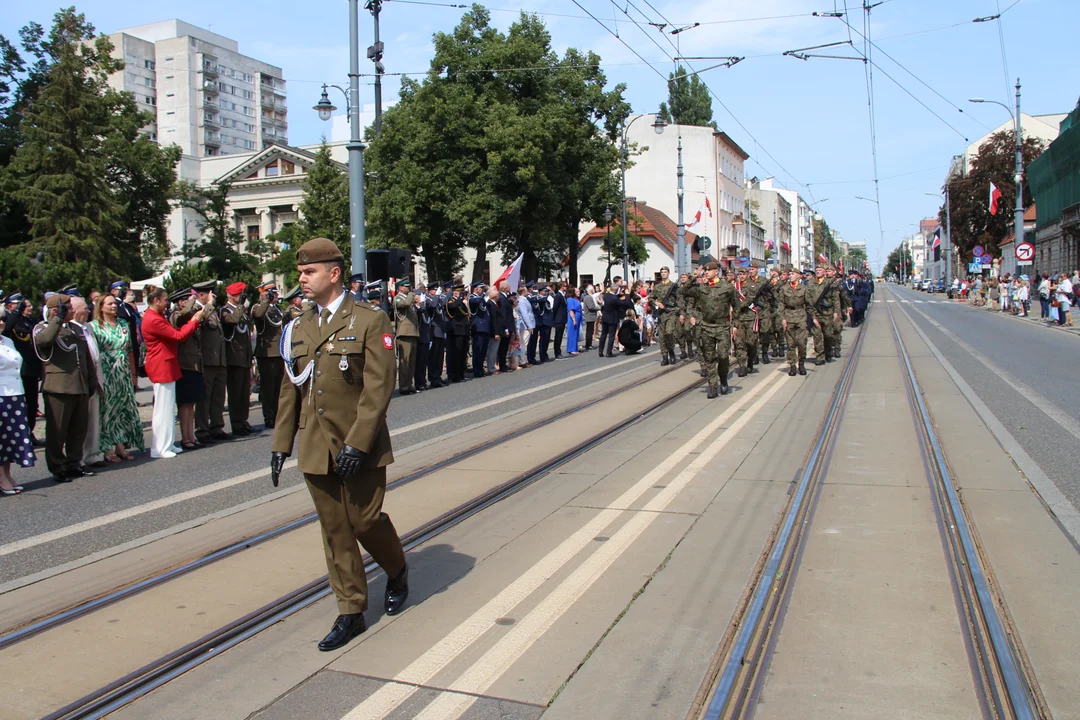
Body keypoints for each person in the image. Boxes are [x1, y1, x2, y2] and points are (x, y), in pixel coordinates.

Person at [271, 236, 408, 652]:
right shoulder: (299, 325)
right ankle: (350, 610)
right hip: (316, 445)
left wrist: (358, 443)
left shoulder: (369, 319)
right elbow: (290, 388)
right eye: (300, 272)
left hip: (358, 445)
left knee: (365, 522)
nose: (302, 279)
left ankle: (397, 569)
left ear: (333, 273)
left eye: (309, 272)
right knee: (335, 531)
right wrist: (281, 443)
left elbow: (380, 386)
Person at [35, 293, 100, 482]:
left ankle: (74, 463)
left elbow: (85, 356)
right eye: (68, 308)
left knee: (78, 429)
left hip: (79, 385)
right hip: (59, 388)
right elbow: (44, 341)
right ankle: (57, 466)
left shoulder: (74, 329)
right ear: (56, 310)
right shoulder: (44, 327)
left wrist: (91, 381)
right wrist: (57, 318)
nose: (72, 310)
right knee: (58, 432)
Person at [142, 286, 208, 459]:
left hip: (167, 364)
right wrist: (194, 320)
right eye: (164, 300)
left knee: (167, 408)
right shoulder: (153, 319)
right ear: (156, 300)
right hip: (161, 365)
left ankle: (167, 443)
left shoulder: (156, 316)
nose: (166, 304)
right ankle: (161, 447)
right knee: (162, 410)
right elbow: (177, 336)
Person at [90, 293, 143, 462]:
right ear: (101, 307)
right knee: (108, 410)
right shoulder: (94, 326)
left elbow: (129, 350)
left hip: (123, 372)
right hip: (106, 372)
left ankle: (121, 445)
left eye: (115, 304)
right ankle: (107, 448)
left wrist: (133, 374)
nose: (114, 306)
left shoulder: (122, 323)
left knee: (122, 409)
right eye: (110, 304)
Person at [680, 262, 736, 398]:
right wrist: (694, 276)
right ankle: (712, 386)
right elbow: (683, 291)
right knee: (709, 357)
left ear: (716, 271)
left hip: (722, 326)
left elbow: (737, 306)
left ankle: (723, 378)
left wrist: (735, 325)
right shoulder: (701, 288)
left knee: (723, 356)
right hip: (706, 326)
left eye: (708, 270)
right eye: (705, 271)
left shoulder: (727, 287)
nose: (706, 273)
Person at [0, 311, 35, 494]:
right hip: (1, 395)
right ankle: (1, 478)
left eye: (3, 319)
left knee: (10, 438)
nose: (1, 322)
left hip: (15, 394)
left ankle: (7, 473)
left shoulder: (7, 341)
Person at [3, 296, 44, 446]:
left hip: (32, 369)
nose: (29, 308)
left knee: (32, 404)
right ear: (11, 307)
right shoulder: (11, 322)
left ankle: (29, 432)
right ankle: (20, 435)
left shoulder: (30, 322)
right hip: (20, 371)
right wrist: (16, 312)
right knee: (22, 405)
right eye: (24, 306)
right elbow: (7, 329)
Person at [170, 288, 207, 449]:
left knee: (191, 403)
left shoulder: (189, 315)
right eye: (186, 299)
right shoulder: (176, 315)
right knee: (185, 403)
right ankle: (185, 438)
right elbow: (182, 319)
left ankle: (190, 435)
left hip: (194, 364)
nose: (189, 302)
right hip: (184, 364)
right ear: (179, 302)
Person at [193, 280, 229, 442]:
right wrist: (208, 305)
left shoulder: (213, 311)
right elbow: (199, 323)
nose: (213, 296)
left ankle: (216, 425)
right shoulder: (196, 309)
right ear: (202, 295)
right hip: (206, 359)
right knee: (204, 397)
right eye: (210, 293)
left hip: (219, 358)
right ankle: (202, 429)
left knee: (218, 395)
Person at [221, 282, 255, 435]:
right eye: (239, 295)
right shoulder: (225, 310)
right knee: (235, 392)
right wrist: (241, 306)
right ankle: (236, 423)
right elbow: (233, 320)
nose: (241, 298)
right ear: (232, 296)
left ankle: (243, 420)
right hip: (234, 357)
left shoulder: (242, 310)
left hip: (245, 356)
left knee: (244, 392)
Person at [252, 282, 285, 428]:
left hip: (279, 352)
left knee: (279, 386)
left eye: (276, 293)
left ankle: (278, 413)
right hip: (267, 352)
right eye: (274, 293)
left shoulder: (277, 309)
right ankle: (269, 416)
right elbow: (258, 315)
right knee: (268, 387)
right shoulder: (258, 307)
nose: (277, 296)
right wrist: (266, 300)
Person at [779, 265, 817, 376]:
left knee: (801, 343)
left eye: (793, 274)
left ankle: (801, 364)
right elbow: (781, 304)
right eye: (790, 274)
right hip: (789, 316)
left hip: (801, 317)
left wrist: (814, 318)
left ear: (798, 276)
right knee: (790, 344)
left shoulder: (804, 289)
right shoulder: (784, 289)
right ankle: (792, 366)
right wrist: (782, 319)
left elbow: (809, 305)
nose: (791, 276)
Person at [733, 266, 762, 378]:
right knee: (739, 343)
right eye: (740, 274)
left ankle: (750, 360)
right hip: (739, 318)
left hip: (750, 317)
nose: (741, 276)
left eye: (744, 274)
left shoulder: (753, 285)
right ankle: (742, 366)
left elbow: (749, 299)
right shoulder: (735, 287)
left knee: (751, 343)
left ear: (748, 275)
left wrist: (737, 306)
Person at [648, 267, 679, 366]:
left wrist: (679, 308)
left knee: (669, 332)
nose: (663, 274)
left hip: (671, 312)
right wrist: (657, 302)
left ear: (668, 273)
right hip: (662, 314)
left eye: (665, 272)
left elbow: (679, 298)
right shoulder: (658, 287)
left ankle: (671, 351)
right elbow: (651, 298)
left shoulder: (674, 286)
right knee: (662, 336)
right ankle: (664, 356)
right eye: (662, 272)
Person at [393, 278, 420, 394]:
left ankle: (410, 385)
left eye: (409, 287)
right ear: (400, 288)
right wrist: (411, 294)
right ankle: (404, 387)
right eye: (406, 287)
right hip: (404, 333)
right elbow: (406, 303)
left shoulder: (408, 298)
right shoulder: (398, 298)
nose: (408, 289)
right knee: (405, 362)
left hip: (412, 332)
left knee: (412, 362)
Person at [599, 280, 632, 357]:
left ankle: (600, 351)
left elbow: (615, 296)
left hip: (605, 317)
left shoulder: (606, 295)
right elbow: (625, 304)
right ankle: (608, 352)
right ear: (616, 290)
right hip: (612, 319)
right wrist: (627, 294)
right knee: (611, 335)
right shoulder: (614, 299)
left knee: (603, 335)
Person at [445, 281, 470, 382]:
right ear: (455, 293)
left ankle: (461, 374)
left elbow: (467, 314)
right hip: (455, 331)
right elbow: (452, 308)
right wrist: (460, 300)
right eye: (460, 292)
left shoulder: (462, 302)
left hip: (464, 330)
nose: (461, 294)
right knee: (456, 353)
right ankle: (454, 375)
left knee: (463, 353)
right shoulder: (450, 301)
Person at [468, 282, 491, 378]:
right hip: (478, 327)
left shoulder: (482, 298)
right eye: (481, 288)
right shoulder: (472, 297)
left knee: (483, 350)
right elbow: (475, 302)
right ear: (476, 289)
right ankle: (477, 369)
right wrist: (486, 295)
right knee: (478, 349)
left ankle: (480, 368)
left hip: (485, 327)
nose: (483, 290)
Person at [516, 286, 535, 368]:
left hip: (524, 325)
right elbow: (525, 314)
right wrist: (530, 326)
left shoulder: (522, 299)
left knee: (522, 343)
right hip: (524, 325)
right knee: (523, 344)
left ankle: (522, 360)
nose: (528, 291)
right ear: (523, 292)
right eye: (526, 290)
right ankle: (522, 361)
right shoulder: (522, 301)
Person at [551, 282, 568, 359]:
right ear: (561, 287)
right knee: (558, 336)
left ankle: (559, 351)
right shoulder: (558, 296)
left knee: (560, 336)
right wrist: (554, 318)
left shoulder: (563, 295)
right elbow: (555, 307)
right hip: (559, 319)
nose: (566, 287)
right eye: (565, 286)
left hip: (562, 319)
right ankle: (557, 353)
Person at [565, 287, 582, 355]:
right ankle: (571, 349)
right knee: (572, 333)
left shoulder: (575, 299)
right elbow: (571, 310)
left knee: (575, 334)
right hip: (573, 318)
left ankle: (574, 348)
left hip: (577, 317)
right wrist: (574, 320)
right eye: (576, 291)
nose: (578, 293)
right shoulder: (570, 299)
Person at [581, 285, 598, 352]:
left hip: (591, 316)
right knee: (589, 331)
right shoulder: (588, 297)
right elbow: (591, 307)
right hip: (589, 316)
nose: (594, 290)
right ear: (591, 290)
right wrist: (598, 308)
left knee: (590, 331)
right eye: (593, 289)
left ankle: (589, 344)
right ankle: (588, 345)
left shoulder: (590, 297)